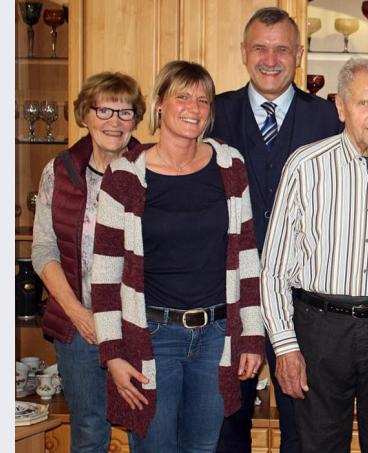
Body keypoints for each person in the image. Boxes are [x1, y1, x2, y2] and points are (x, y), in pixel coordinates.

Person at [260, 57, 368, 453]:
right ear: (340, 107)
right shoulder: (305, 167)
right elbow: (273, 268)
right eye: (364, 103)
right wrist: (286, 346)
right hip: (320, 330)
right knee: (319, 446)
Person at [91, 60, 264, 453]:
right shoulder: (124, 177)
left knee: (203, 448)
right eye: (182, 96)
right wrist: (113, 355)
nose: (193, 107)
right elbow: (104, 277)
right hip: (151, 340)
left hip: (215, 339)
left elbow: (248, 258)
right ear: (158, 105)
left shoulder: (230, 165)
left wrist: (251, 337)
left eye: (203, 100)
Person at [209, 8, 342, 453]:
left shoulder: (328, 119)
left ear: (299, 55)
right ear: (244, 53)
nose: (271, 58)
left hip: (305, 300)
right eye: (261, 48)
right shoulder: (211, 114)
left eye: (282, 48)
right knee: (226, 427)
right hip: (226, 298)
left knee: (304, 430)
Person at [31, 71, 145, 453]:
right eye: (104, 110)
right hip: (79, 328)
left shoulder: (152, 171)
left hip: (138, 327)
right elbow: (43, 250)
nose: (114, 122)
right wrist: (78, 313)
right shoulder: (60, 171)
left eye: (125, 113)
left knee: (142, 428)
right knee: (89, 430)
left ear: (137, 119)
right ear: (85, 115)